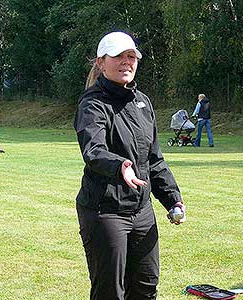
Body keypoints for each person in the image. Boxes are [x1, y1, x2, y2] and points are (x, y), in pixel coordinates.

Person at [74, 31, 185, 300]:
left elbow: (154, 159)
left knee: (146, 288)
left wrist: (173, 200)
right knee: (111, 292)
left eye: (131, 56)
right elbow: (94, 150)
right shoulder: (93, 104)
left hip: (142, 211)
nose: (127, 62)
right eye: (119, 56)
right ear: (101, 62)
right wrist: (121, 165)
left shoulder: (142, 102)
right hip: (105, 211)